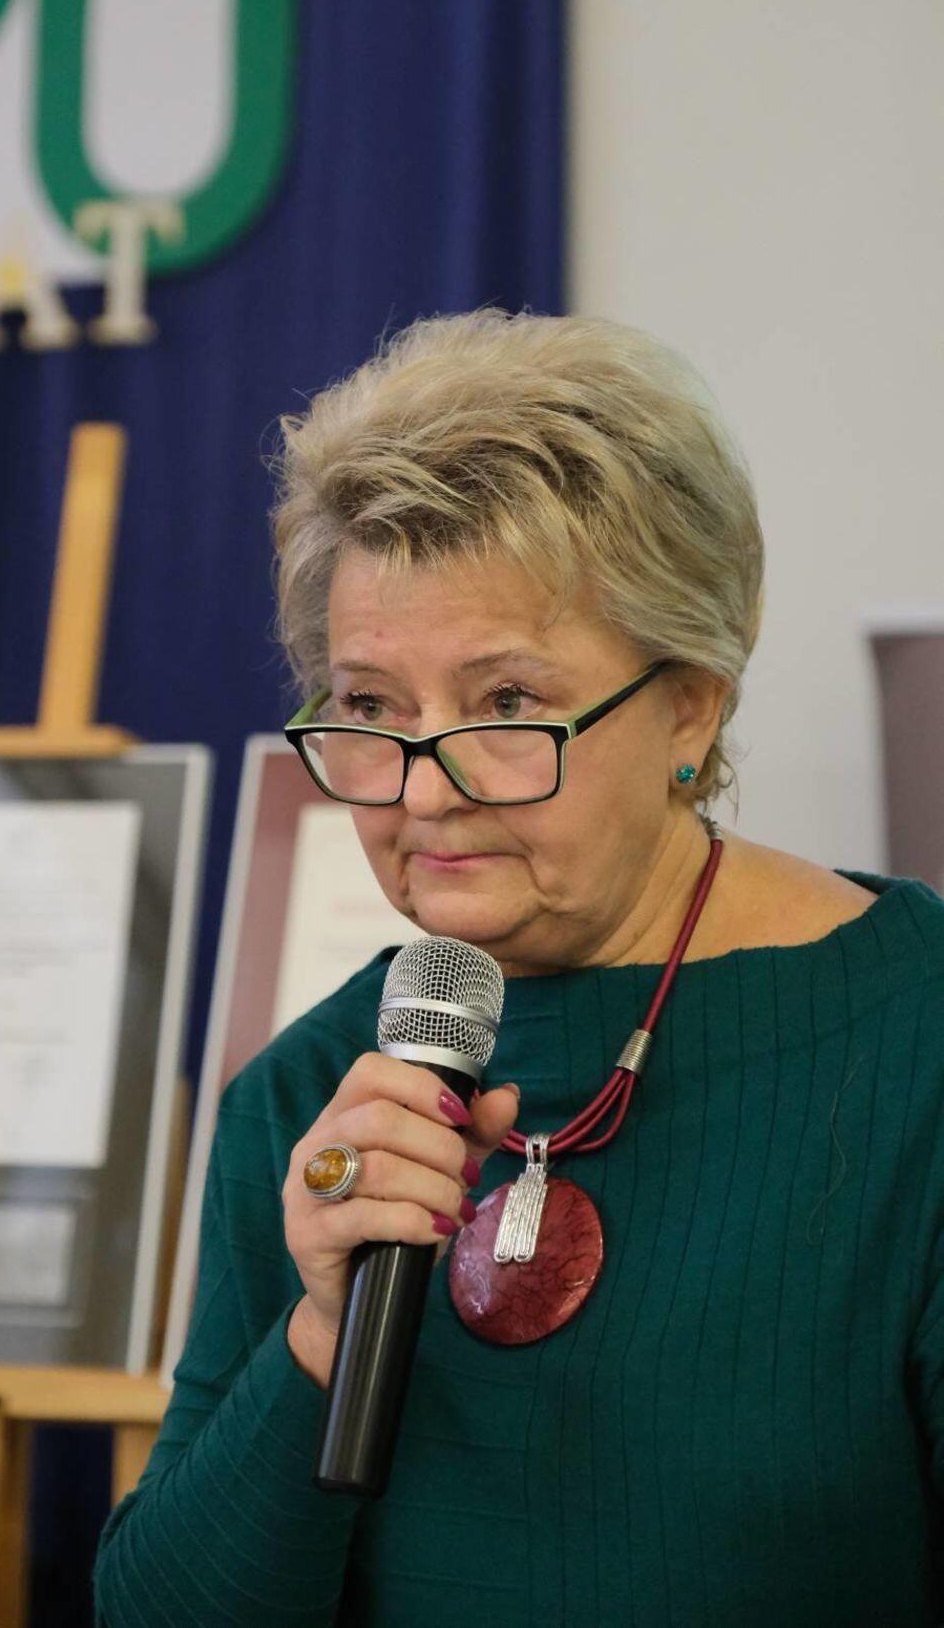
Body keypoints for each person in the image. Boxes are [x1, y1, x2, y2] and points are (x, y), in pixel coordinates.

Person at [94, 311, 944, 1627]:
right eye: (372, 708)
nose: (425, 791)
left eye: (506, 704)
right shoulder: (315, 1096)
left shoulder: (916, 1034)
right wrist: (315, 1338)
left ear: (692, 702)